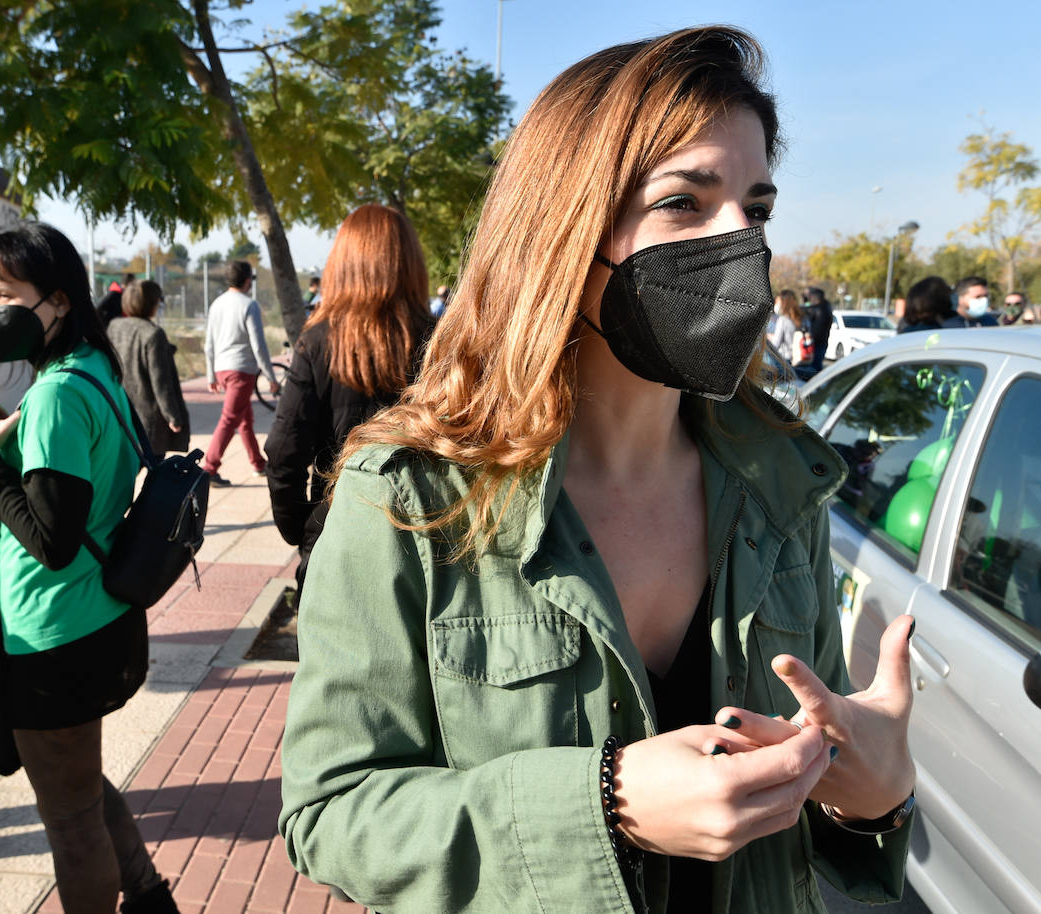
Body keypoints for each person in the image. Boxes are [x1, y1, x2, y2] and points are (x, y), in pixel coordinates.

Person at [280, 27, 916, 914]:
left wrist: (874, 800)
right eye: (685, 202)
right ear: (567, 231)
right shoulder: (408, 495)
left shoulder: (779, 488)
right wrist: (602, 801)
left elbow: (815, 817)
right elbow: (330, 811)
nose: (742, 242)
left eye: (757, 208)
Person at [0, 224, 179, 914]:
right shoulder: (89, 365)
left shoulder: (55, 395)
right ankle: (145, 895)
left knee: (70, 820)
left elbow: (53, 540)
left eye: (3, 295)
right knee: (77, 784)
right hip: (94, 617)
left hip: (52, 633)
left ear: (55, 299)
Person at [264, 204, 434, 599]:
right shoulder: (441, 342)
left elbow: (284, 452)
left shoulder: (317, 342)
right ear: (410, 263)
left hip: (336, 535)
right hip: (424, 541)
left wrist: (304, 527)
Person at [202, 260, 278, 487]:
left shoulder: (216, 304)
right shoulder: (249, 305)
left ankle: (258, 463)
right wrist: (271, 376)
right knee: (230, 418)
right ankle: (209, 468)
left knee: (245, 419)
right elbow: (259, 345)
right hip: (241, 370)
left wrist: (210, 375)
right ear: (247, 281)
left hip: (222, 369)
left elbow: (209, 344)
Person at [107, 280, 191, 454]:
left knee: (124, 469)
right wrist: (173, 416)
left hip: (120, 410)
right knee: (153, 469)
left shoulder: (115, 326)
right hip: (148, 418)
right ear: (152, 304)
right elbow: (161, 382)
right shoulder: (153, 334)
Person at [803, 286, 834, 370]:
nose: (810, 299)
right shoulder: (826, 307)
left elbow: (817, 330)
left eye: (811, 297)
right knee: (816, 365)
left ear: (815, 297)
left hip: (817, 343)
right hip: (822, 341)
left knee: (814, 368)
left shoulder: (819, 310)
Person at [767, 288, 801, 362]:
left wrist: (769, 338)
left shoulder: (783, 320)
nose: (776, 304)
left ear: (784, 302)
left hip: (786, 358)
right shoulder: (803, 318)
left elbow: (775, 344)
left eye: (778, 302)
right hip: (801, 357)